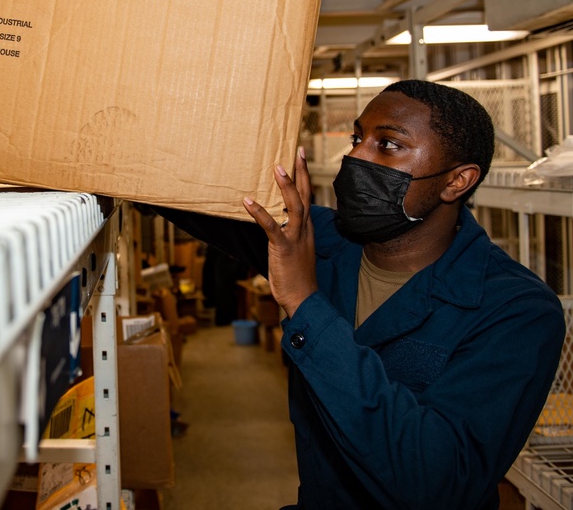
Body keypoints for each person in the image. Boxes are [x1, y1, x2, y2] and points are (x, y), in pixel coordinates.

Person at [156, 80, 565, 509]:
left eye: (387, 144)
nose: (354, 156)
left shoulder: (515, 311)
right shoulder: (320, 241)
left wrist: (304, 303)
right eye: (357, 138)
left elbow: (437, 483)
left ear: (457, 180)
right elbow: (188, 198)